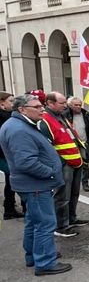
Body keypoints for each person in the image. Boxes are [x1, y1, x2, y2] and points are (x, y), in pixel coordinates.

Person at [0, 95, 72, 275]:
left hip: (32, 184)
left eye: (41, 106)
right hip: (36, 185)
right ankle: (45, 262)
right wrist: (50, 172)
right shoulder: (19, 129)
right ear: (22, 109)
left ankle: (35, 255)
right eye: (37, 106)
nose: (42, 109)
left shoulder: (20, 125)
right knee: (45, 223)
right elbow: (26, 162)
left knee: (34, 221)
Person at [39, 92, 88, 238]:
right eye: (61, 103)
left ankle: (71, 218)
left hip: (75, 161)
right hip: (64, 163)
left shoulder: (61, 116)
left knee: (73, 193)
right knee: (62, 196)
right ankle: (61, 225)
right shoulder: (45, 120)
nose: (65, 105)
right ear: (50, 103)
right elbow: (46, 146)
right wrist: (60, 163)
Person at [0, 92, 25, 220]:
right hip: (3, 154)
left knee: (11, 179)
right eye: (10, 101)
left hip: (7, 153)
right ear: (2, 102)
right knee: (13, 178)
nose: (13, 103)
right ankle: (10, 209)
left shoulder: (8, 115)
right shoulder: (4, 117)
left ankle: (10, 208)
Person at [66, 97, 89, 192]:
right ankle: (71, 184)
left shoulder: (86, 114)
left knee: (85, 164)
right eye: (76, 105)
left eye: (79, 105)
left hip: (84, 143)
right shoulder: (65, 115)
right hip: (71, 144)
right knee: (72, 164)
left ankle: (85, 183)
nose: (78, 107)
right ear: (70, 105)